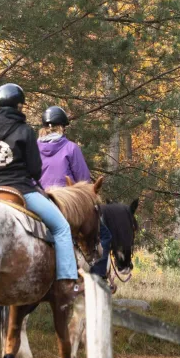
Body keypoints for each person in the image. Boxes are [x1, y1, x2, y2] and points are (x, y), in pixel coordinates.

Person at [0, 84, 78, 293]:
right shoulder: (25, 130)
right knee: (62, 228)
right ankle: (67, 282)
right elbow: (35, 170)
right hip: (20, 191)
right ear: (19, 106)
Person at [37, 105, 113, 279]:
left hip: (40, 202)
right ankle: (98, 279)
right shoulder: (70, 148)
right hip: (68, 206)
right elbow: (83, 182)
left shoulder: (33, 148)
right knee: (104, 235)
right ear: (62, 127)